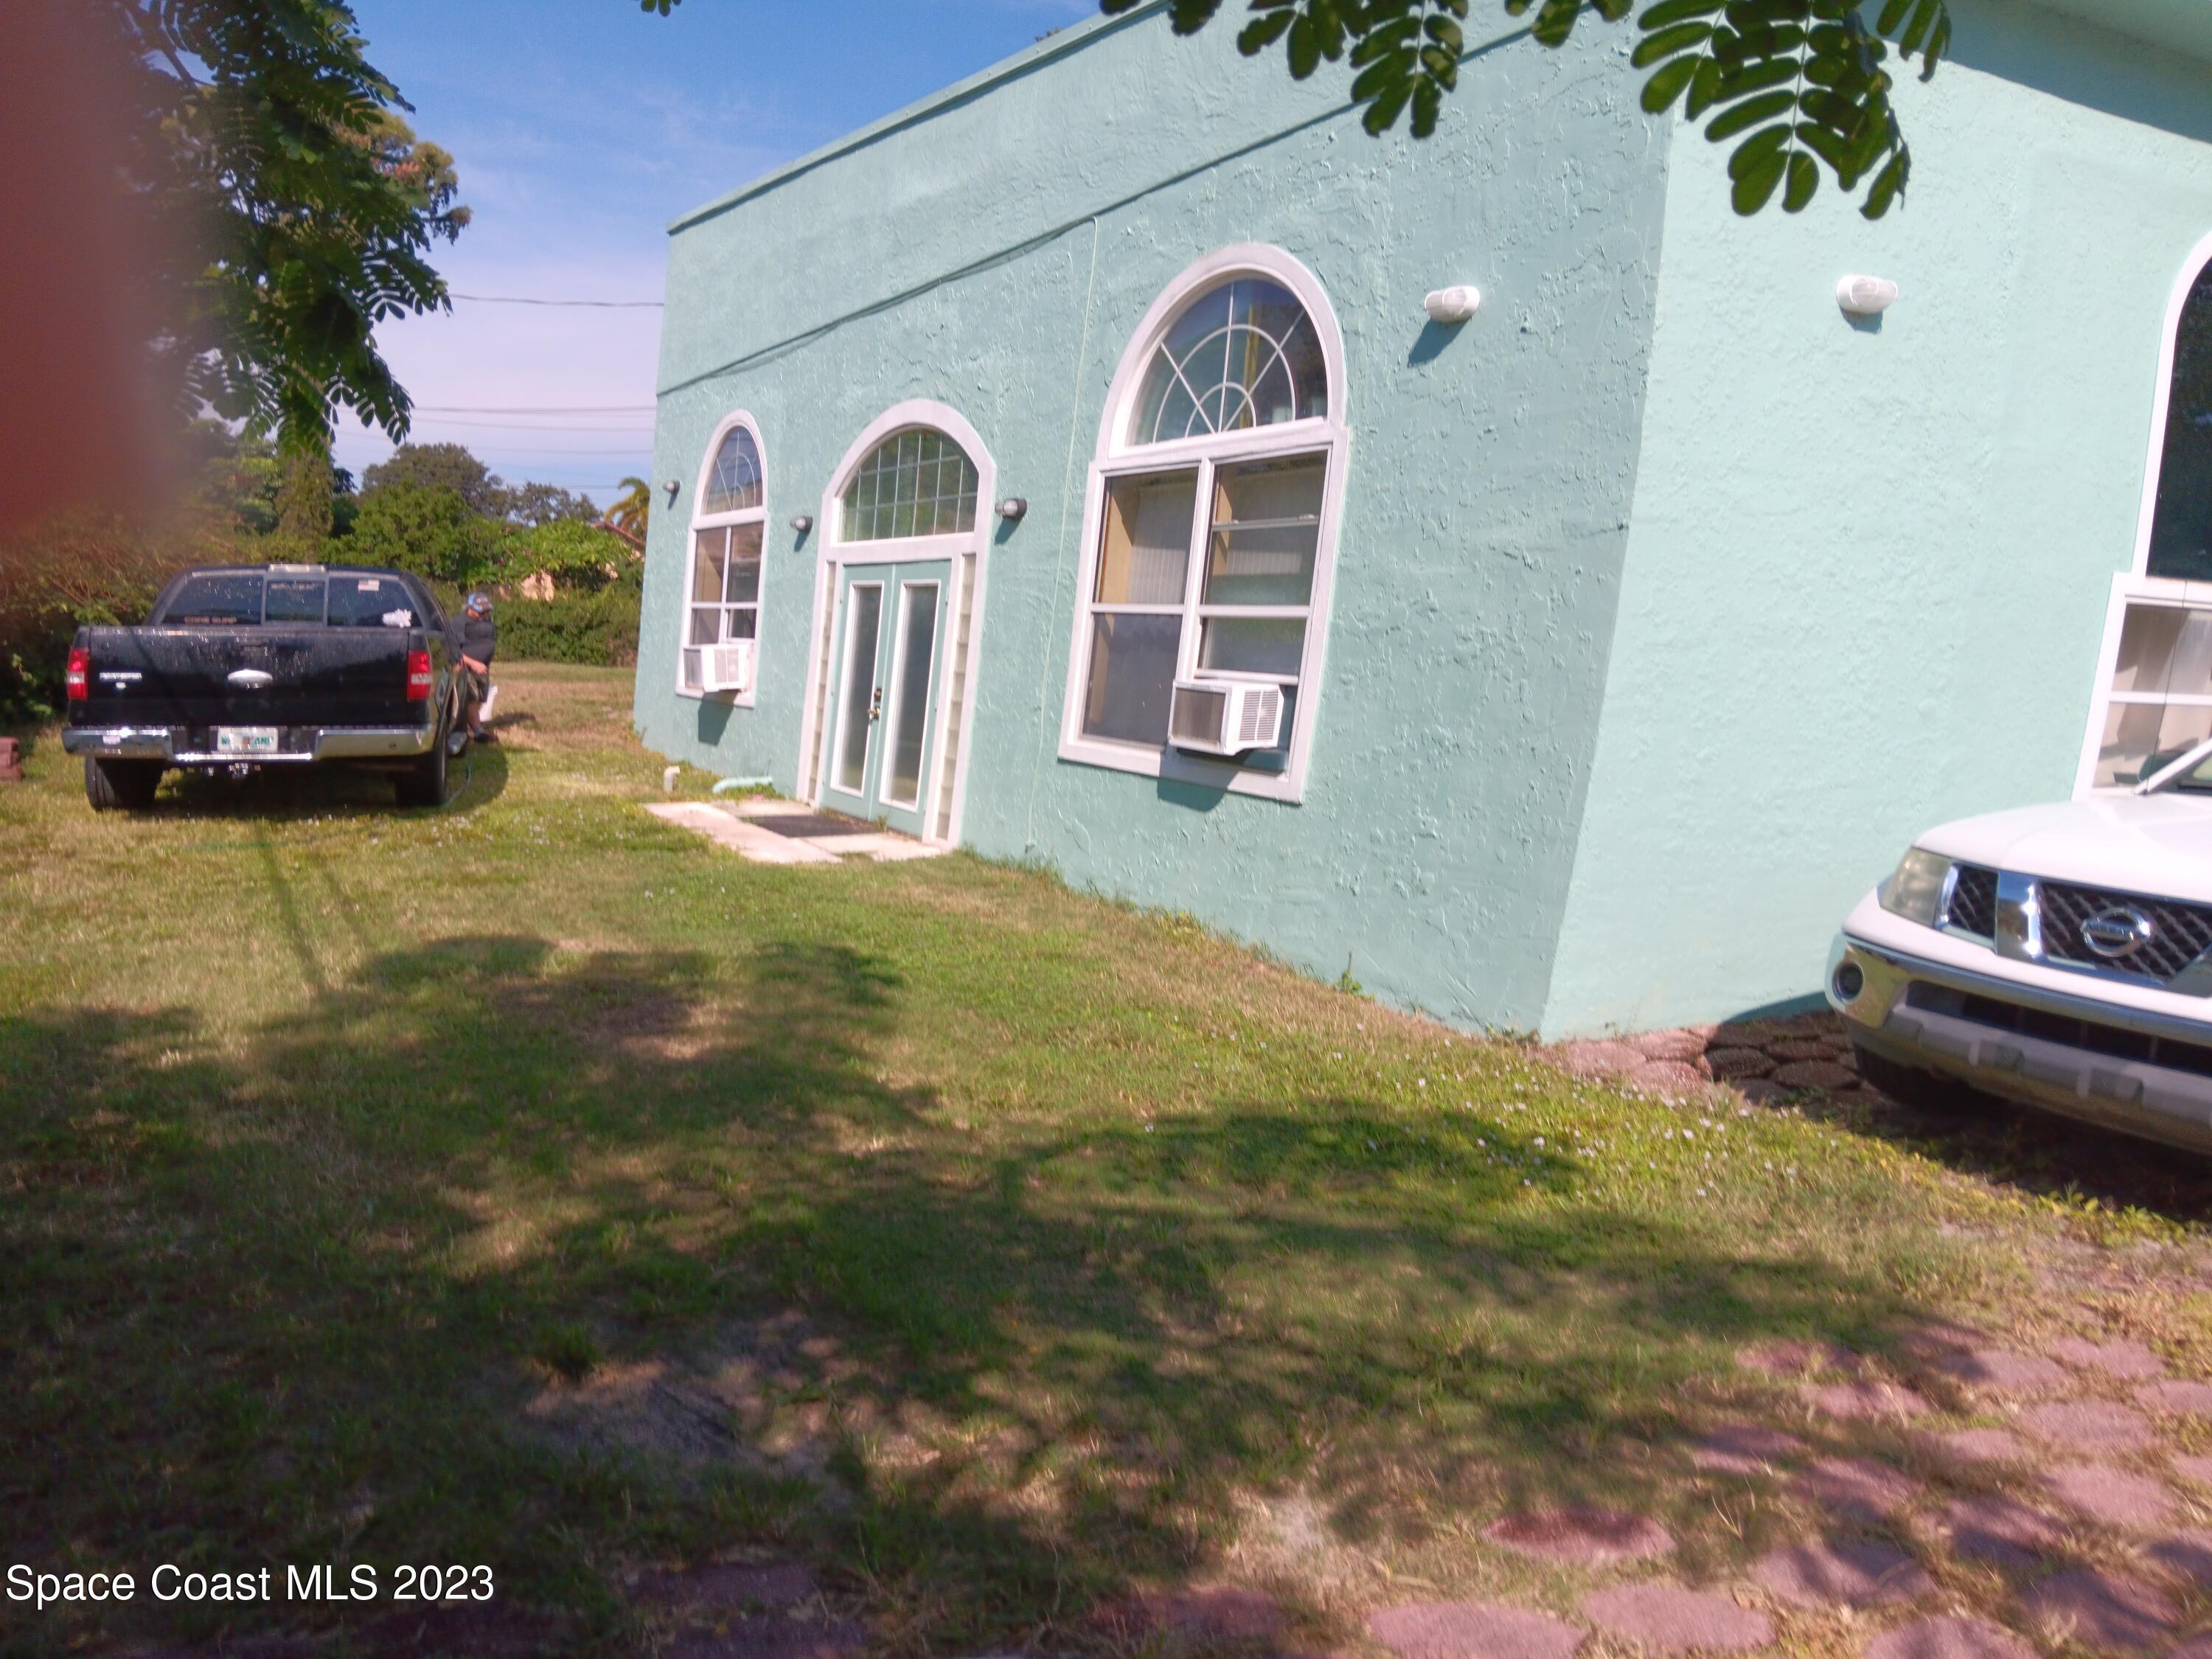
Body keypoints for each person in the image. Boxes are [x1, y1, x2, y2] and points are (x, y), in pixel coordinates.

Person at [457, 591, 498, 744]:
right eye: (482, 611)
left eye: (487, 611)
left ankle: (471, 727)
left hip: (483, 668)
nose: (485, 614)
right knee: (471, 698)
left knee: (481, 697)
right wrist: (473, 663)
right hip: (467, 668)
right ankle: (478, 732)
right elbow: (454, 650)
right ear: (470, 608)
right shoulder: (460, 623)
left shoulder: (487, 621)